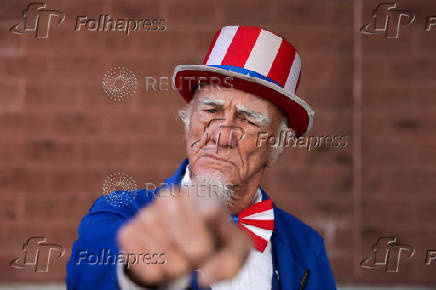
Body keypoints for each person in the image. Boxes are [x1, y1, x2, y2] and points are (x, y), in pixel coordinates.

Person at [66, 25, 336, 290]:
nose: (222, 135)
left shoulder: (306, 247)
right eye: (210, 110)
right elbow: (87, 269)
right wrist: (137, 269)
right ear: (187, 123)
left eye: (248, 120)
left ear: (276, 147)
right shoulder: (122, 209)